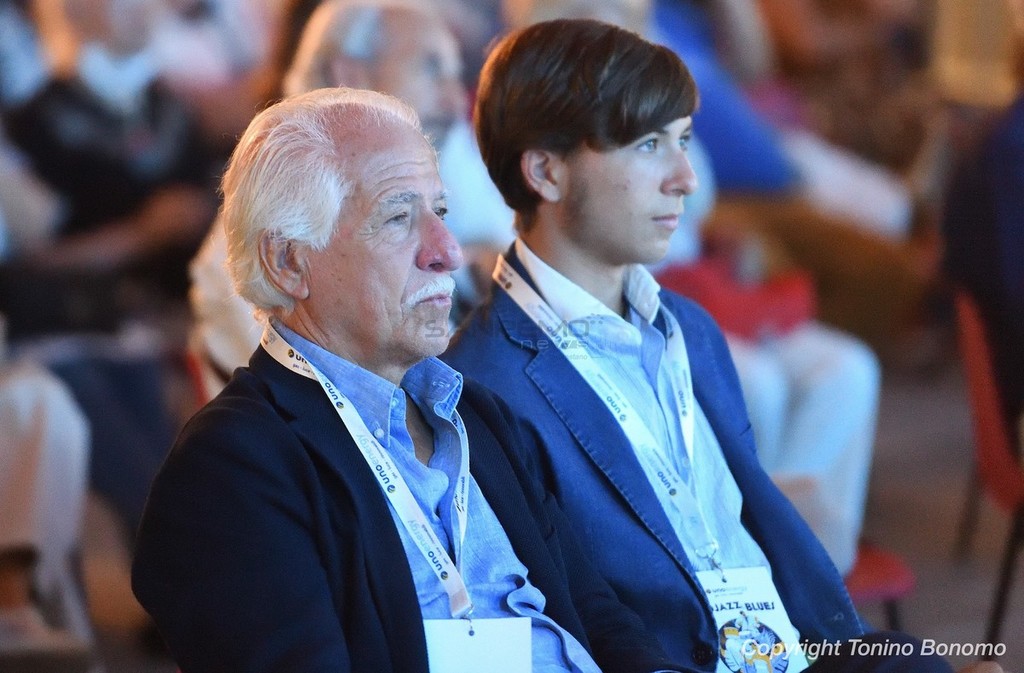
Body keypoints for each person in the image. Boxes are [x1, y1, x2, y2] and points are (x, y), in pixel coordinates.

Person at [443, 18, 957, 671]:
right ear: (546, 171)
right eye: (648, 145)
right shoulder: (483, 385)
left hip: (788, 651)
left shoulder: (689, 328)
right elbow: (543, 628)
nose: (685, 177)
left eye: (683, 140)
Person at [131, 86, 686, 673]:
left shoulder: (477, 417)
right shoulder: (231, 468)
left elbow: (594, 612)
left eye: (440, 213)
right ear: (288, 262)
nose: (447, 251)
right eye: (398, 218)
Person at [188, 0, 514, 394]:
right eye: (431, 70)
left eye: (455, 74)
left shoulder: (441, 152)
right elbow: (329, 406)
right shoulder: (253, 248)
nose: (456, 101)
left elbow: (506, 252)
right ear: (349, 75)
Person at [653, 135, 880, 576]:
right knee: (757, 383)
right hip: (643, 294)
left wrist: (719, 240)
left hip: (702, 283)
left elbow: (699, 198)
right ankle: (754, 556)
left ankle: (811, 554)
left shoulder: (672, 111)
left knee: (849, 366)